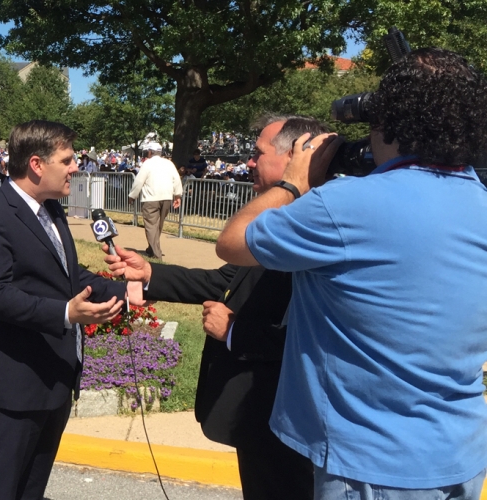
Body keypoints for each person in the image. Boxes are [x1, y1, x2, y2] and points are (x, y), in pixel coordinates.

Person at [217, 48, 487, 498]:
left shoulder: (348, 206)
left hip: (371, 463)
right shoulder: (478, 201)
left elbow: (233, 241)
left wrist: (295, 183)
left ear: (386, 118)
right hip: (457, 453)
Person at [109, 115, 327, 500]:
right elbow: (225, 279)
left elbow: (317, 338)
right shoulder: (284, 219)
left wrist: (235, 332)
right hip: (259, 421)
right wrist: (149, 274)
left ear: (294, 158)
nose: (249, 163)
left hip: (287, 423)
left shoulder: (321, 228)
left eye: (258, 154)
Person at [0, 120, 127, 500]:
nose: (76, 167)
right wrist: (65, 314)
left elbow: (70, 273)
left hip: (52, 383)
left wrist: (131, 288)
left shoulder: (51, 209)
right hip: (10, 389)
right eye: (68, 160)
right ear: (37, 164)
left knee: (29, 492)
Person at [129, 142, 182, 259]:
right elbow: (176, 179)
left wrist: (132, 196)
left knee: (151, 226)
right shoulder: (169, 163)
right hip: (167, 197)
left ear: (149, 152)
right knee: (158, 225)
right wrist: (178, 195)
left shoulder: (147, 164)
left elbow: (139, 181)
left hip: (150, 198)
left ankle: (156, 254)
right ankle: (151, 247)